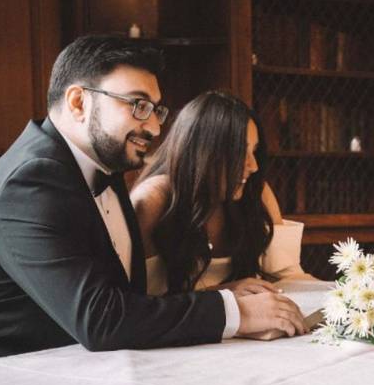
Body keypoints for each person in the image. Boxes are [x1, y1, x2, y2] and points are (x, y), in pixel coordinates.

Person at [0, 35, 305, 372]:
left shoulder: (106, 171)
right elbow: (101, 320)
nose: (153, 127)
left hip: (67, 362)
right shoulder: (30, 181)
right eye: (137, 105)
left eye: (155, 109)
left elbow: (126, 305)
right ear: (78, 102)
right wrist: (236, 314)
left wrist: (223, 296)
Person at [130, 90, 310, 297]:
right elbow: (137, 306)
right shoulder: (152, 200)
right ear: (203, 153)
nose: (254, 166)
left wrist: (347, 293)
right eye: (240, 152)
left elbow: (288, 276)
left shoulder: (256, 192)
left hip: (251, 325)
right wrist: (222, 294)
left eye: (254, 151)